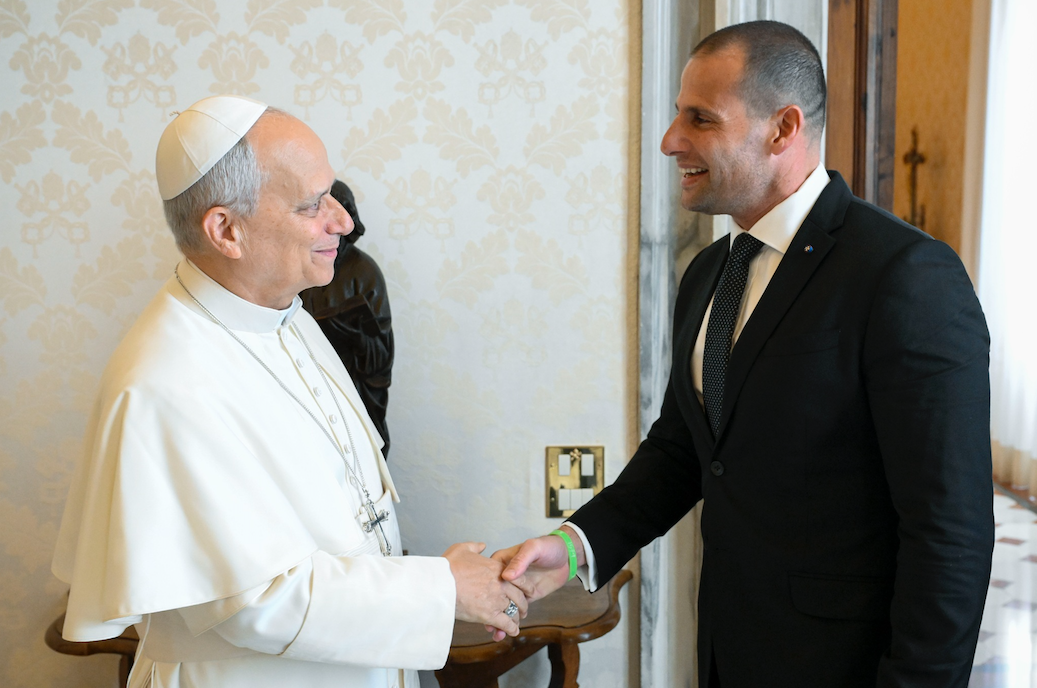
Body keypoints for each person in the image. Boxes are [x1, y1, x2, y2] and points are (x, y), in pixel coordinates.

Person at [492, 20, 992, 688]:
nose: (670, 140)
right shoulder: (708, 272)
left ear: (782, 129)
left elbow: (949, 533)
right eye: (677, 114)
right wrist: (575, 545)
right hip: (728, 653)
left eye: (700, 119)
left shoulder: (905, 276)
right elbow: (684, 451)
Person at [51, 94, 527, 688]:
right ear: (226, 230)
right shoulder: (165, 385)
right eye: (312, 205)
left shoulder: (283, 312)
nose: (343, 222)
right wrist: (442, 588)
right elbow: (258, 600)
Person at [300, 180, 394, 458]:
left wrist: (355, 335)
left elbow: (381, 354)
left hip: (353, 385)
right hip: (309, 383)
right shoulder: (301, 266)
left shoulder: (364, 273)